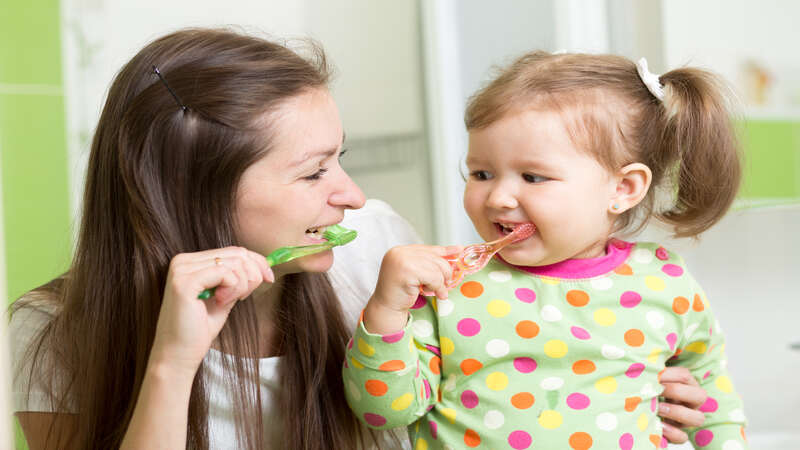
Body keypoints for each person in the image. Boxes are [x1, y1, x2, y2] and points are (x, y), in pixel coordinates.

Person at [7, 29, 708, 450]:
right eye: (314, 172)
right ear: (194, 192)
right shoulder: (54, 332)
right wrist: (172, 360)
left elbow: (480, 382)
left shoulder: (374, 249)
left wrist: (625, 385)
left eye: (340, 157)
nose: (348, 193)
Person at [343, 51, 748, 449]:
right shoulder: (450, 283)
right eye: (481, 173)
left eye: (533, 177)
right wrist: (386, 310)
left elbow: (714, 405)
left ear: (623, 189)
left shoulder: (666, 283)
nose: (499, 197)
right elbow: (384, 412)